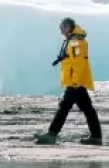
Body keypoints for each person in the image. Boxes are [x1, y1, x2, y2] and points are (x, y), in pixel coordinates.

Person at [34, 17, 104, 145]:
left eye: (62, 28)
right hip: (76, 82)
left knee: (64, 107)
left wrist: (76, 82)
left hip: (75, 83)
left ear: (68, 27)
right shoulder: (73, 40)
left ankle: (52, 134)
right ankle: (96, 137)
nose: (61, 31)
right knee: (88, 109)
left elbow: (79, 63)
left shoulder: (75, 42)